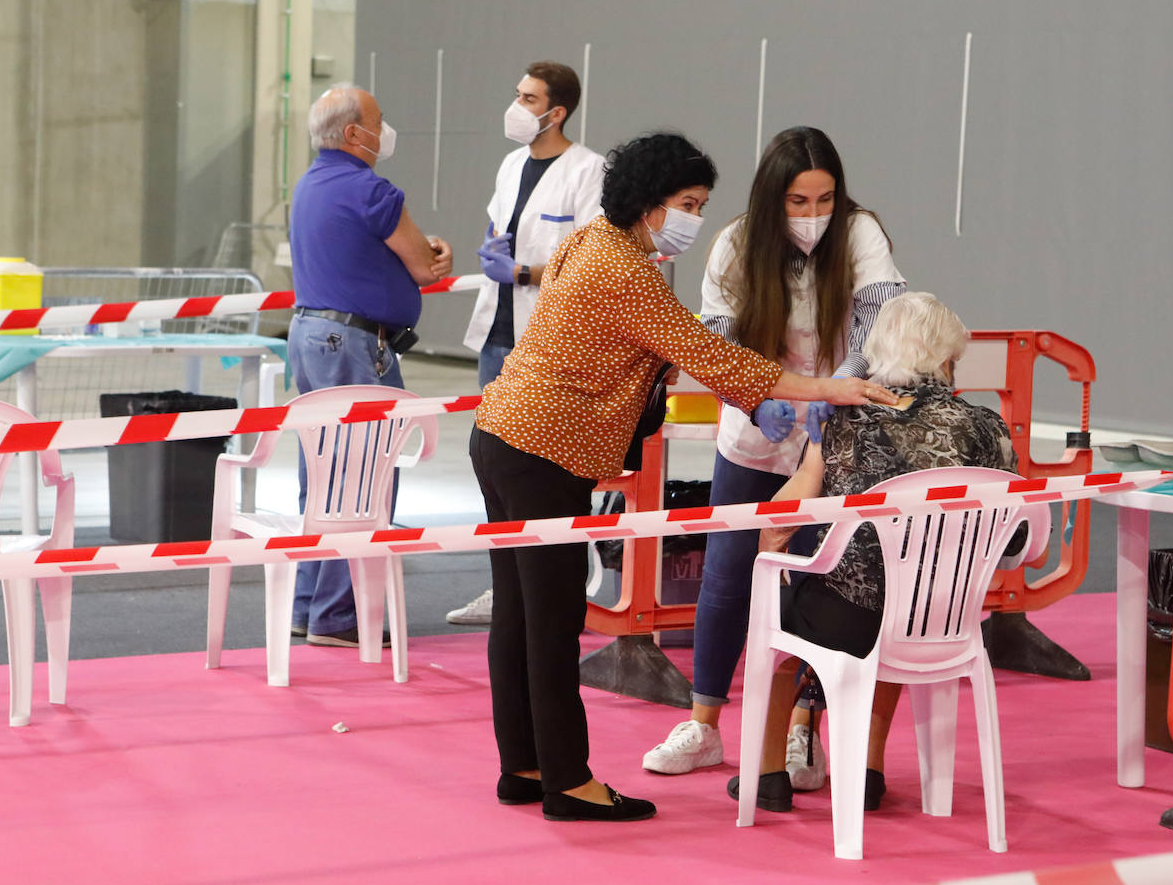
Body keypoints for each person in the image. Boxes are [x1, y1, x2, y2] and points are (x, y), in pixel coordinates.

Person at [469, 131, 894, 822]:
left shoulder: (588, 242)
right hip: (544, 451)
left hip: (503, 436)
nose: (695, 217)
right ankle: (568, 782)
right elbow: (708, 351)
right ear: (649, 203)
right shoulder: (627, 273)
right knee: (550, 624)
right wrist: (826, 391)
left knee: (518, 617)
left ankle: (523, 765)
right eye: (687, 203)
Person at [643, 126, 906, 789]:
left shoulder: (861, 232)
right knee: (728, 579)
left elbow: (880, 316)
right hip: (756, 428)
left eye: (824, 200)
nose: (814, 215)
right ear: (771, 198)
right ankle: (703, 724)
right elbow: (718, 334)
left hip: (835, 436)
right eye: (798, 202)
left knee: (826, 587)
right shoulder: (735, 242)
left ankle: (800, 734)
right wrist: (757, 396)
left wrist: (838, 388)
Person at [725, 292, 1021, 813]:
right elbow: (1016, 540)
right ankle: (865, 771)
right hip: (943, 618)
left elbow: (783, 513)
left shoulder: (844, 418)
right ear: (948, 359)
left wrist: (773, 555)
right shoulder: (986, 426)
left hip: (850, 618)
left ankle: (769, 771)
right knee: (898, 601)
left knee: (791, 613)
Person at [287, 84, 453, 647]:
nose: (386, 130)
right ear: (356, 133)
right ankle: (339, 616)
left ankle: (309, 604)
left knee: (323, 472)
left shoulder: (310, 185)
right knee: (362, 478)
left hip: (309, 334)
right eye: (379, 121)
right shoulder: (372, 190)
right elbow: (425, 268)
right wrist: (435, 252)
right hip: (355, 343)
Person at [449, 61, 605, 627]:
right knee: (494, 472)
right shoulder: (512, 163)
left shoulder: (590, 171)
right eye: (516, 93)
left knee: (542, 475)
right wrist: (496, 260)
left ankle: (549, 591)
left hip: (549, 340)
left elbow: (591, 261)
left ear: (556, 111)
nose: (517, 104)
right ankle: (503, 587)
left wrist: (522, 273)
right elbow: (499, 234)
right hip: (499, 334)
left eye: (528, 96)